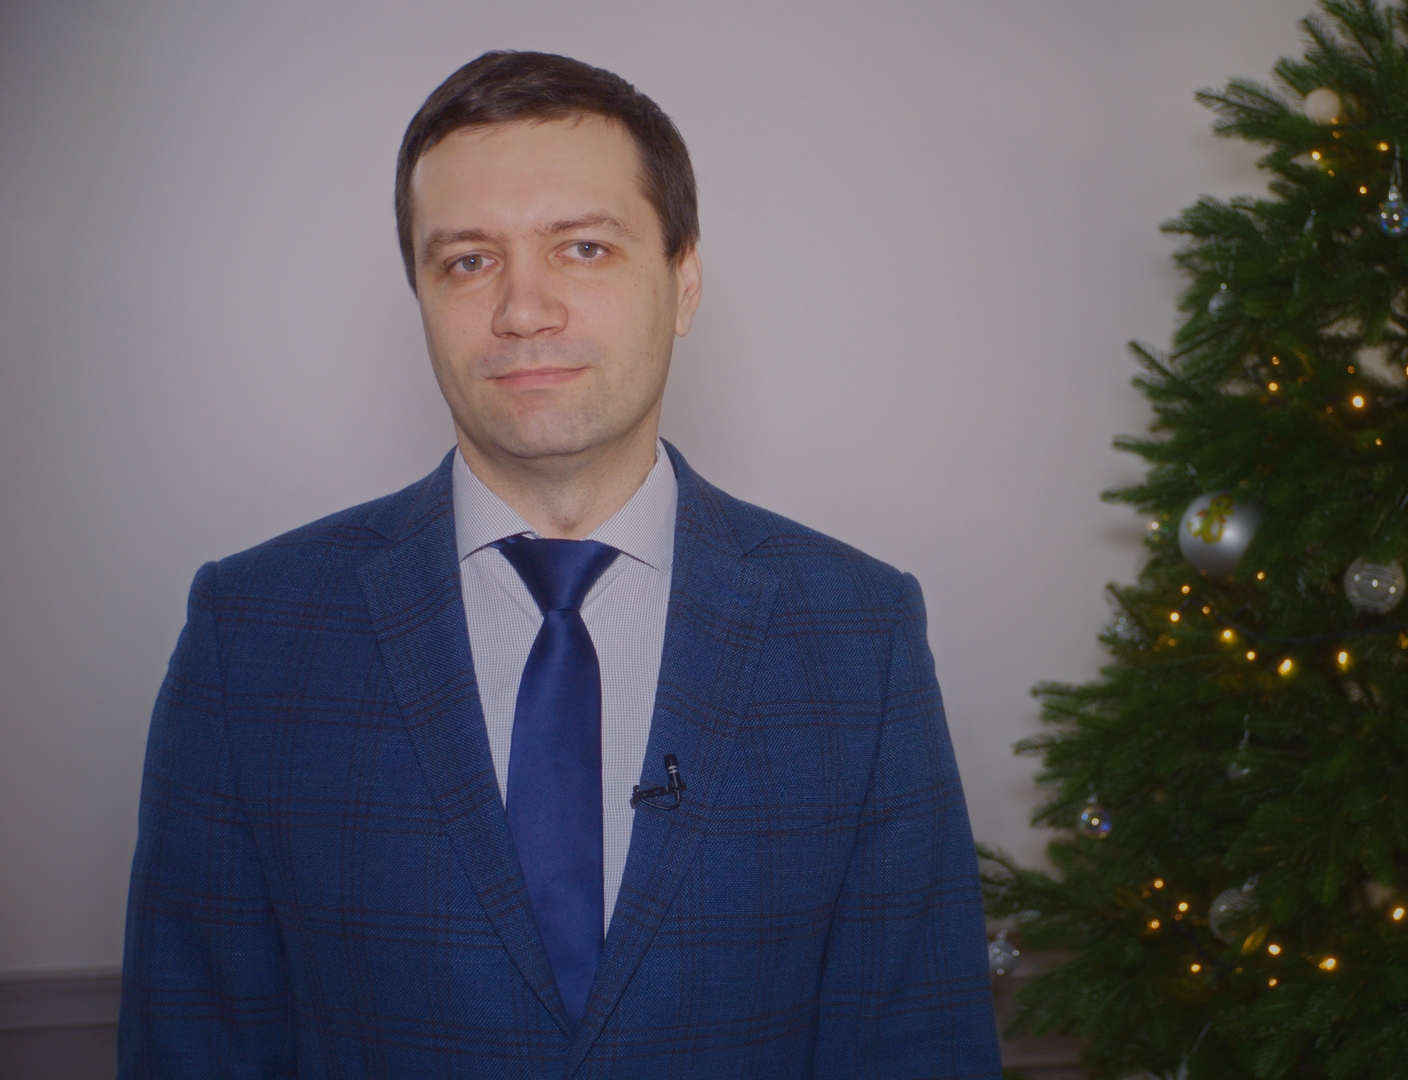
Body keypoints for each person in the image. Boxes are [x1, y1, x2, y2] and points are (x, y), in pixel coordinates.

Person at [117, 50, 1000, 1077]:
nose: (524, 310)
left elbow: (916, 1043)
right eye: (467, 261)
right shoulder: (249, 633)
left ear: (683, 283)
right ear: (419, 297)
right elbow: (196, 1042)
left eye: (583, 248)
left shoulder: (860, 634)